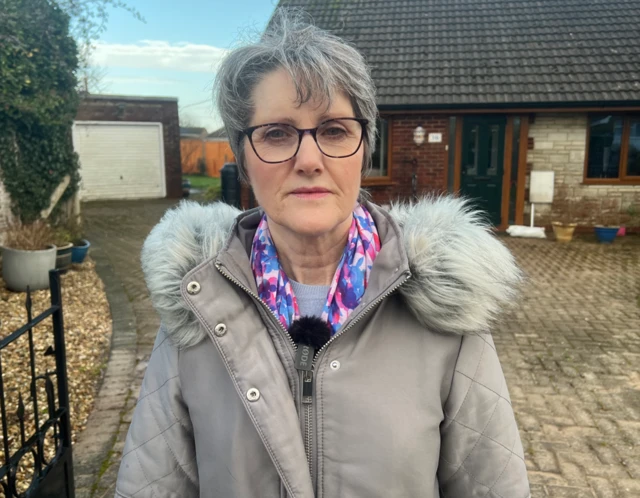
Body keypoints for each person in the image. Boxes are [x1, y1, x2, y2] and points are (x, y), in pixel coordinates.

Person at [115, 10, 531, 498]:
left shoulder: (447, 308)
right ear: (243, 157)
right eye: (276, 133)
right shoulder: (196, 307)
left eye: (334, 130)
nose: (309, 160)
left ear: (364, 148)